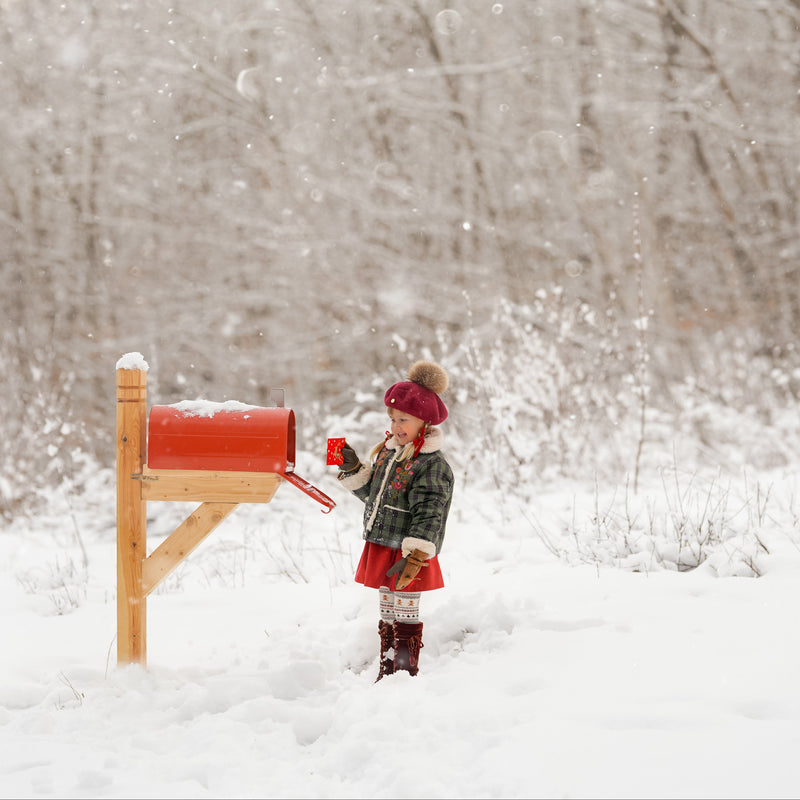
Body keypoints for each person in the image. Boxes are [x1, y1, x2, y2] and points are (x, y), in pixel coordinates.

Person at [334, 360, 454, 680]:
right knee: (388, 612)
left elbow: (431, 511)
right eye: (393, 418)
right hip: (385, 545)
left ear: (424, 424)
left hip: (408, 553)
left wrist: (414, 557)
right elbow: (375, 496)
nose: (396, 425)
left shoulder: (430, 463)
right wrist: (353, 468)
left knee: (405, 613)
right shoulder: (391, 453)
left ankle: (404, 670)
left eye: (404, 419)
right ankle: (388, 669)